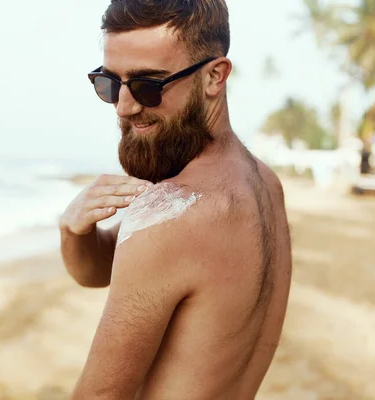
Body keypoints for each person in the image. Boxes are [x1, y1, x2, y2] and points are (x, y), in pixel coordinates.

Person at [59, 1, 292, 398]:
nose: (124, 106)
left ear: (214, 77)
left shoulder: (173, 217)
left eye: (148, 86)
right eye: (109, 83)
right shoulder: (266, 184)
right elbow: (100, 271)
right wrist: (72, 229)